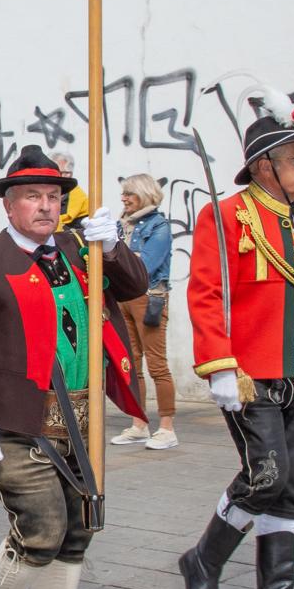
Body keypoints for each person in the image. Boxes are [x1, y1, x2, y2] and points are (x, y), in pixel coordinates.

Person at [0, 148, 146, 589]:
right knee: (41, 529)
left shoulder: (78, 248)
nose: (45, 206)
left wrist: (113, 245)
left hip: (81, 421)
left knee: (78, 531)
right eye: (33, 197)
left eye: (54, 197)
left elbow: (134, 286)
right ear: (9, 205)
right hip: (19, 422)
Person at [178, 92, 294, 589]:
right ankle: (203, 560)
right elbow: (206, 292)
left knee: (292, 483)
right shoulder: (226, 215)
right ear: (264, 166)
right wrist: (218, 365)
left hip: (293, 367)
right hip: (248, 369)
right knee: (265, 474)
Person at [110, 173, 178, 450]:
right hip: (122, 298)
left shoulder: (158, 226)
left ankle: (167, 428)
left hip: (149, 298)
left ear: (144, 195)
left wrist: (120, 259)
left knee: (157, 365)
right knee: (132, 364)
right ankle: (139, 424)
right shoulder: (120, 225)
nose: (124, 198)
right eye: (124, 194)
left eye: (130, 194)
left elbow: (144, 266)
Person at [52, 151, 91, 228]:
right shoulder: (39, 197)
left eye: (67, 173)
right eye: (59, 172)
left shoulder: (82, 202)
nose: (63, 176)